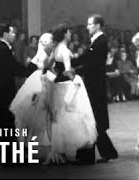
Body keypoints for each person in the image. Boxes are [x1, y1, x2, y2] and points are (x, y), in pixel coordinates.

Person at [42, 23, 97, 164]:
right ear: (65, 34)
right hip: (66, 86)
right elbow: (67, 71)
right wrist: (76, 79)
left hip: (57, 85)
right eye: (69, 32)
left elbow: (47, 65)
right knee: (72, 114)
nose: (70, 34)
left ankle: (61, 150)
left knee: (60, 116)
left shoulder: (56, 49)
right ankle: (72, 148)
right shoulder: (65, 50)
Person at [72, 14, 118, 164]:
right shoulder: (96, 41)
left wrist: (74, 70)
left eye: (90, 24)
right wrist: (69, 63)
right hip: (93, 84)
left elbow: (92, 65)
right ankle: (102, 153)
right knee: (93, 119)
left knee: (92, 118)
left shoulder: (100, 42)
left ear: (97, 25)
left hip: (95, 86)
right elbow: (84, 58)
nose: (87, 27)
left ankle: (91, 154)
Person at [0, 24, 28, 164]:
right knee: (5, 121)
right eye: (12, 32)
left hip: (3, 90)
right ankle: (7, 155)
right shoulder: (3, 49)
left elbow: (13, 67)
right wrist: (30, 68)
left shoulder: (4, 48)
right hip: (4, 91)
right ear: (6, 34)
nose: (14, 35)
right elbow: (13, 68)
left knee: (0, 121)